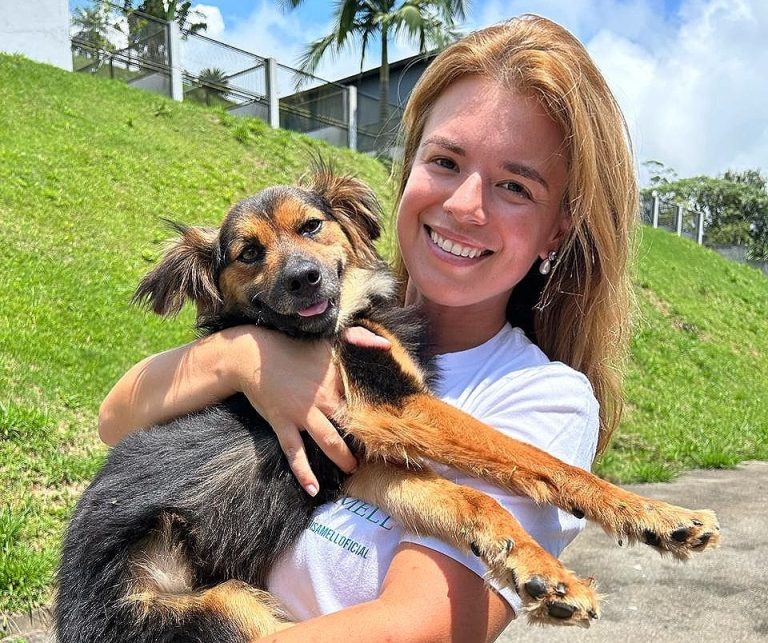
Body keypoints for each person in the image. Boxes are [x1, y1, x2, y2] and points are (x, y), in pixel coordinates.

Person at [98, 14, 638, 642]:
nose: (465, 205)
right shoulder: (290, 334)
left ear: (558, 229)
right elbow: (115, 419)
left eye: (514, 185)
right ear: (409, 169)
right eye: (445, 160)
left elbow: (405, 630)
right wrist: (241, 360)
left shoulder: (539, 399)